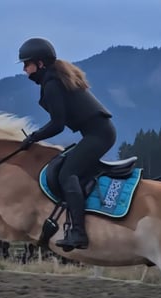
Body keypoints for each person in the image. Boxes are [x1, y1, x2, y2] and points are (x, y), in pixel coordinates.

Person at [17, 37, 117, 250]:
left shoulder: (52, 83)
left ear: (40, 63)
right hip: (97, 133)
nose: (25, 70)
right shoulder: (53, 78)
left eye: (27, 64)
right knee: (65, 167)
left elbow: (57, 124)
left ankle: (79, 233)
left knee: (66, 174)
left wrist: (33, 137)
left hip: (98, 135)